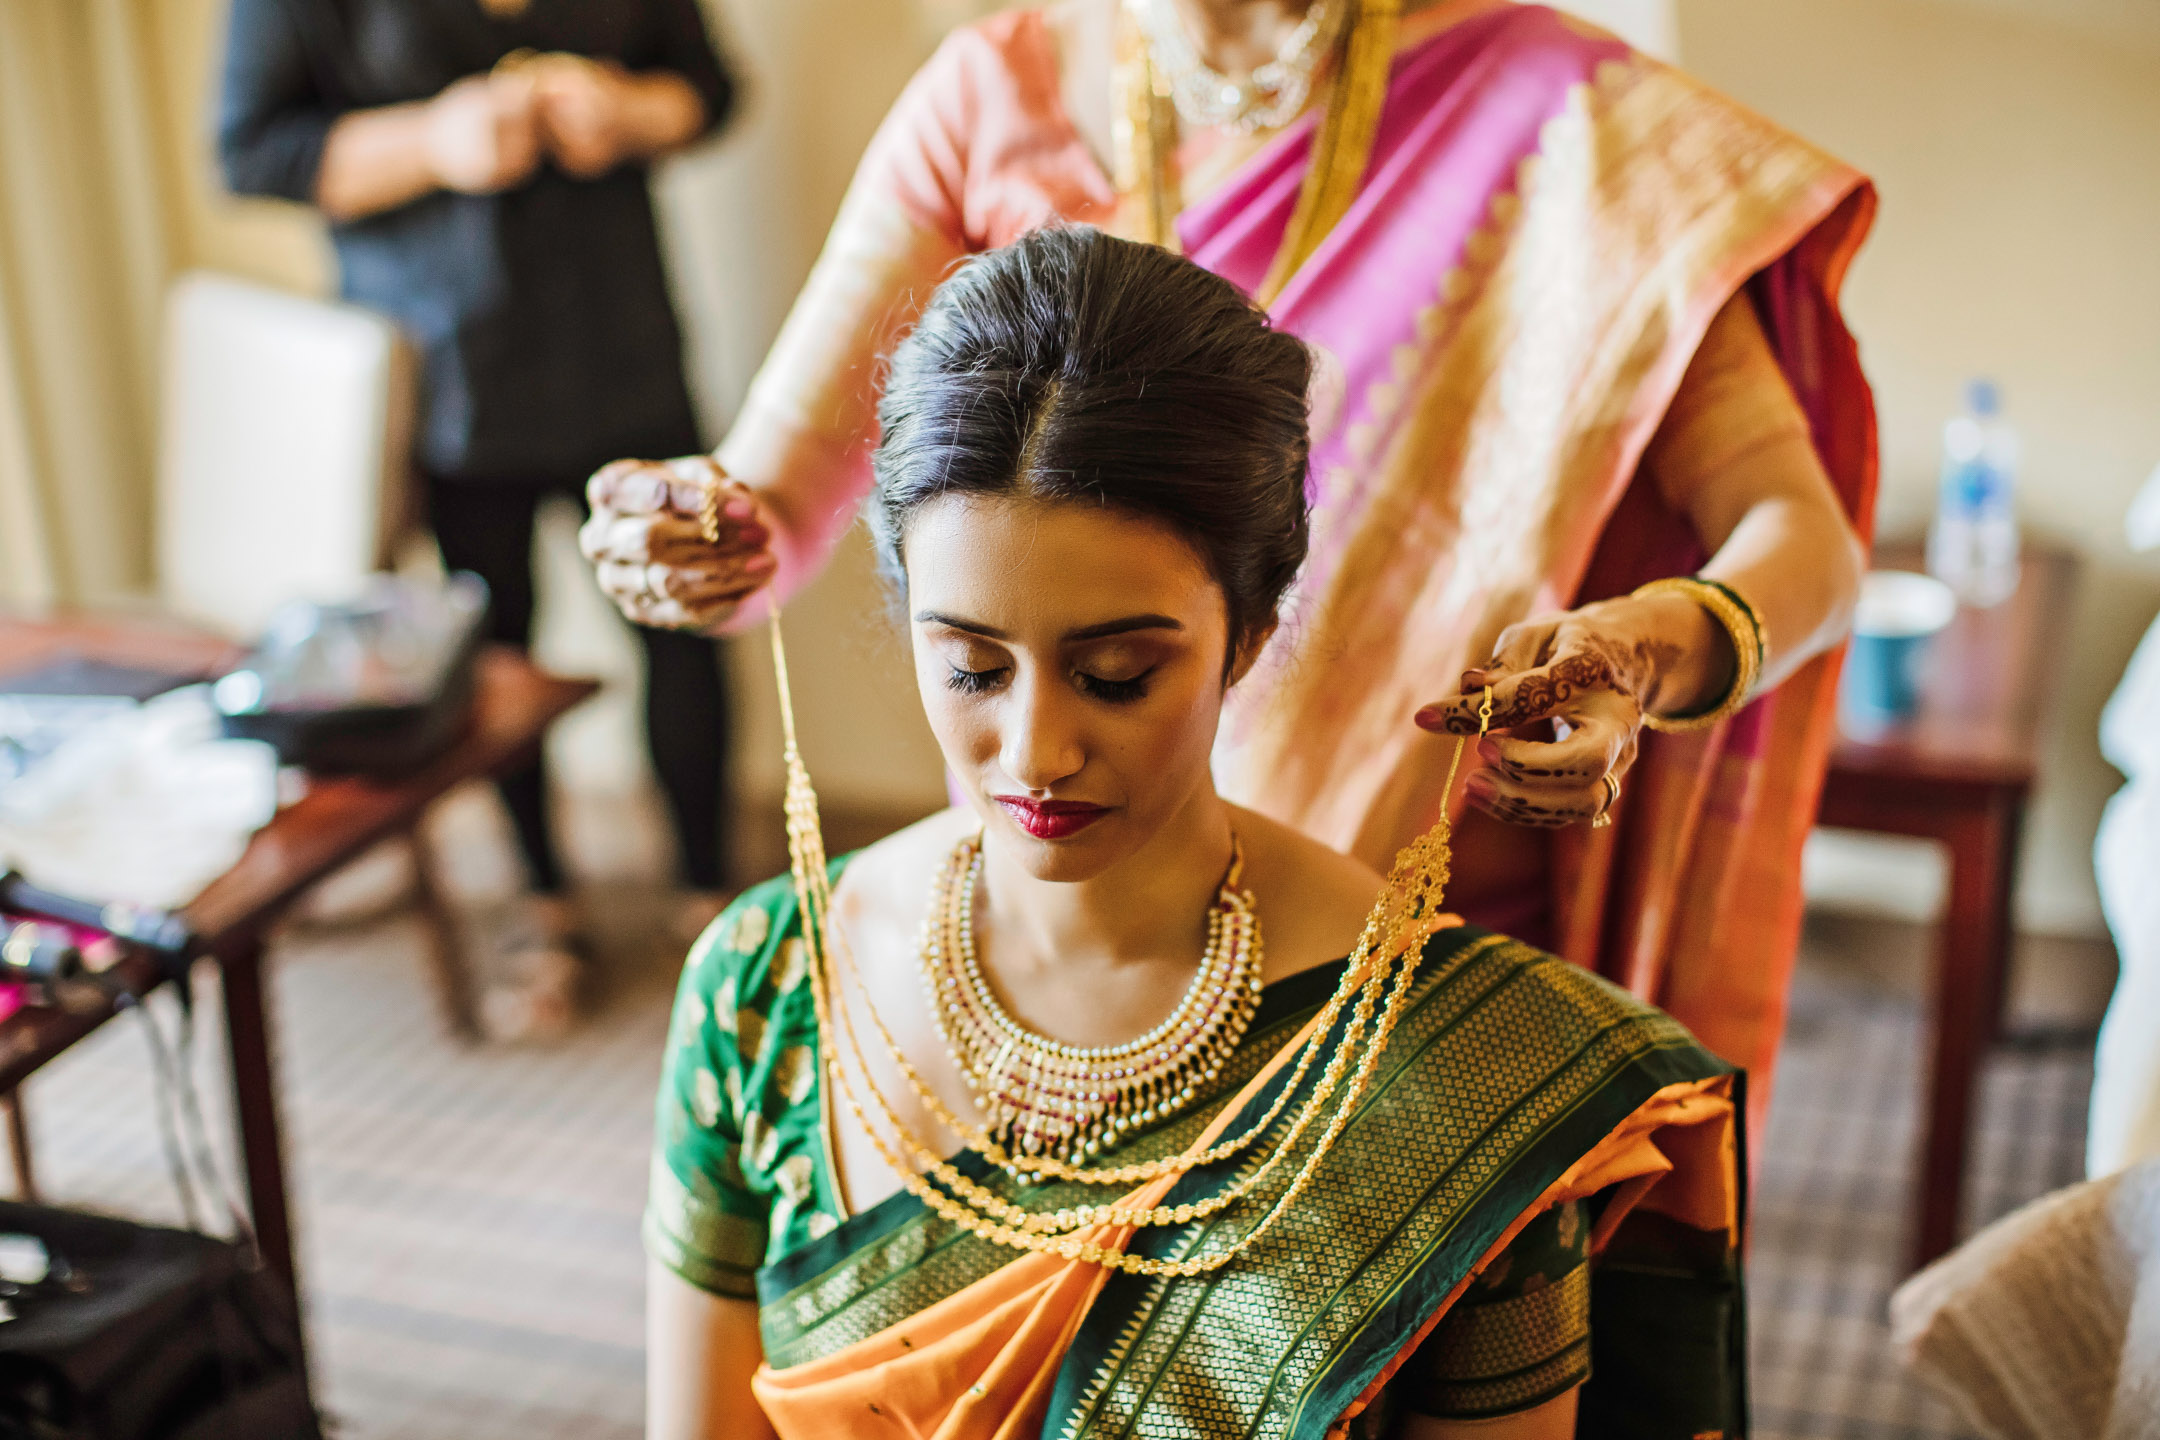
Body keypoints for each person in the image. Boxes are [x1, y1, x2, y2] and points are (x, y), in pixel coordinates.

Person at [580, 0, 1874, 1136]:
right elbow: (765, 507)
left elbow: (1798, 537)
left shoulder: (1561, 116)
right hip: (1075, 881)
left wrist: (1644, 647)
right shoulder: (994, 97)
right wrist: (683, 534)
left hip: (1410, 915)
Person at [645, 227, 1746, 1439]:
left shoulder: (1452, 1072)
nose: (1034, 752)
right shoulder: (770, 983)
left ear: (1252, 632)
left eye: (1117, 674)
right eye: (968, 667)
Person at [218, 0, 742, 1031]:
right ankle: (543, 902)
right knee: (496, 654)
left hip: (623, 348)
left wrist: (630, 114)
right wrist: (433, 141)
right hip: (450, 368)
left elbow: (711, 91)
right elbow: (252, 151)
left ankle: (711, 899)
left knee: (687, 624)